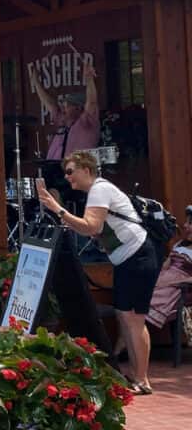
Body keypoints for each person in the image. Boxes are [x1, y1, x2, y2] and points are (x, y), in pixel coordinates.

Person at [37, 150, 159, 395]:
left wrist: (57, 208)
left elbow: (90, 226)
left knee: (134, 319)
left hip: (137, 257)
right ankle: (136, 376)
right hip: (127, 259)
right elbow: (93, 229)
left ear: (87, 170)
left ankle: (143, 380)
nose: (68, 178)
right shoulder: (96, 192)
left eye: (71, 172)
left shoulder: (99, 189)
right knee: (125, 316)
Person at [32, 58, 100, 160]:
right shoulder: (63, 120)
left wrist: (89, 78)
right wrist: (36, 82)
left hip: (77, 171)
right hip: (53, 170)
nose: (63, 108)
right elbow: (50, 104)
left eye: (67, 105)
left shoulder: (86, 122)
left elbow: (92, 102)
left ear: (78, 108)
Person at [146, 207, 192, 331]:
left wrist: (175, 281)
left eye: (190, 223)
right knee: (140, 293)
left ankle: (122, 346)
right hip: (166, 279)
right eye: (187, 222)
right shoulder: (180, 244)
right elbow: (166, 265)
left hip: (182, 288)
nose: (185, 225)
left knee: (150, 300)